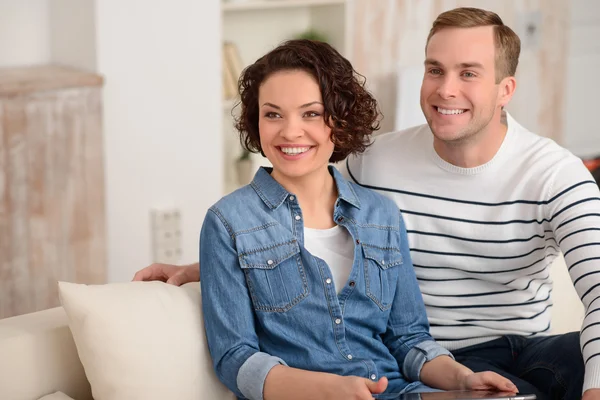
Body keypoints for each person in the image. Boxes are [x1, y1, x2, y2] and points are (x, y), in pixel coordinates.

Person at [134, 7, 600, 400]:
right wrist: (207, 268)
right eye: (434, 69)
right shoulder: (377, 164)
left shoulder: (552, 175)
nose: (446, 89)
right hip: (439, 362)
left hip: (508, 354)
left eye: (469, 73)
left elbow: (406, 334)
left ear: (506, 90)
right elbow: (275, 240)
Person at [197, 39, 517, 400]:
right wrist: (329, 389)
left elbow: (408, 339)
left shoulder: (381, 215)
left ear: (340, 118)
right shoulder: (228, 222)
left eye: (311, 113)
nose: (289, 132)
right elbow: (235, 358)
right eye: (273, 114)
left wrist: (462, 380)